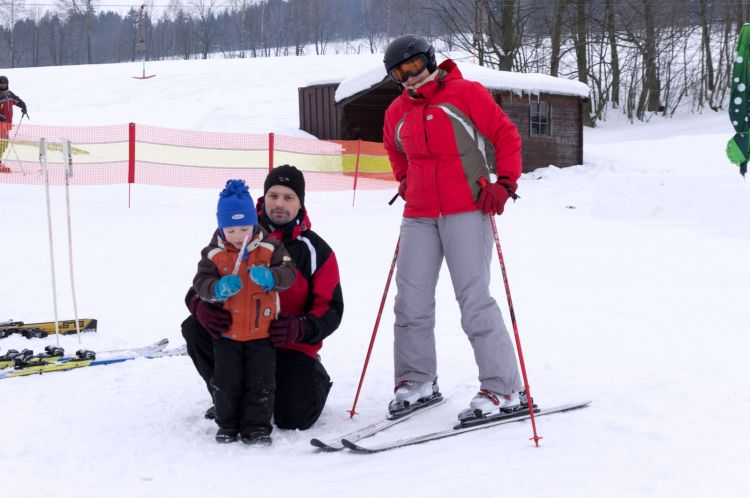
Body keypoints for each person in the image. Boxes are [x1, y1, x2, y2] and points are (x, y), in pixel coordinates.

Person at [382, 35, 525, 422]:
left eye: (414, 66)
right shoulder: (396, 111)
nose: (410, 77)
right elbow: (394, 149)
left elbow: (505, 135)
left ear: (429, 60)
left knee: (473, 299)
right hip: (419, 215)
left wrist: (505, 184)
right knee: (410, 300)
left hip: (467, 207)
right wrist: (405, 180)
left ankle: (504, 387)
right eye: (400, 72)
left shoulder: (465, 93)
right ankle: (417, 381)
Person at [182, 165, 343, 432]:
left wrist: (300, 328)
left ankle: (314, 377)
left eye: (289, 197)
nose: (279, 203)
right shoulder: (233, 232)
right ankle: (229, 400)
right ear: (263, 198)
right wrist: (202, 309)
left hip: (287, 342)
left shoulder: (315, 250)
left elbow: (332, 309)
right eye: (273, 196)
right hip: (237, 334)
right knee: (193, 328)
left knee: (293, 418)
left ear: (300, 203)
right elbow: (199, 285)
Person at [193, 179, 297, 445]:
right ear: (220, 227)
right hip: (227, 336)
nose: (238, 236)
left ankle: (256, 426)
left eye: (244, 228)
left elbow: (289, 273)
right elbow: (200, 284)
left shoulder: (271, 248)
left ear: (254, 223)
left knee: (260, 383)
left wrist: (272, 277)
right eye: (231, 229)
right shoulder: (214, 254)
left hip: (261, 334)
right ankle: (227, 424)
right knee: (227, 381)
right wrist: (216, 288)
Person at [0, 75, 28, 173]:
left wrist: (23, 105)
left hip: (7, 124)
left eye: (4, 84)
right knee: (2, 141)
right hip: (0, 124)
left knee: (4, 142)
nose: (3, 85)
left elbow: (17, 100)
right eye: (1, 84)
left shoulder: (9, 94)